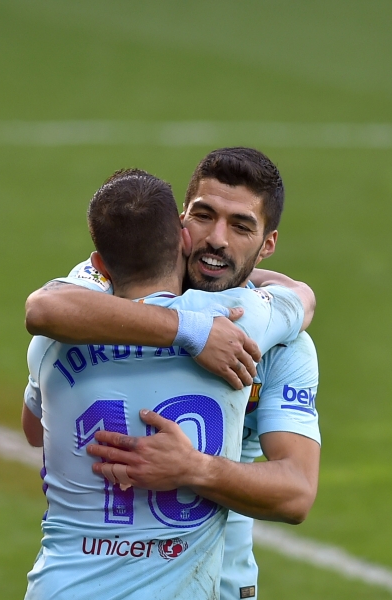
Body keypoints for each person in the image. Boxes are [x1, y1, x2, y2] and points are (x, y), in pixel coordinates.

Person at [23, 148, 321, 600]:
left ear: (267, 245)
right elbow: (44, 308)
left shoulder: (282, 346)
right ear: (181, 225)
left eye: (241, 226)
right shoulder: (91, 306)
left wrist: (195, 468)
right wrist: (192, 331)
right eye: (204, 216)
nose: (217, 239)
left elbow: (295, 493)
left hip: (217, 586)